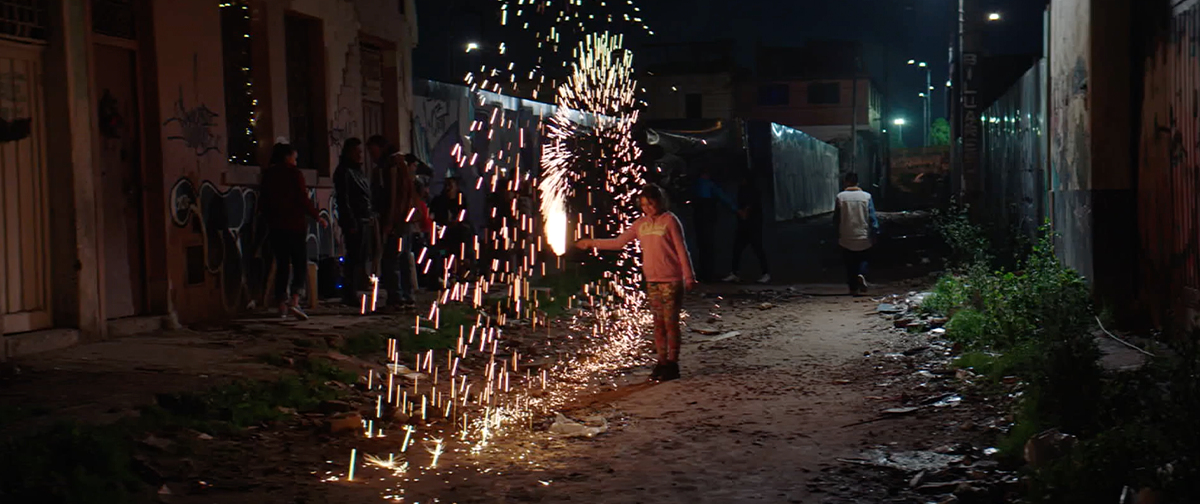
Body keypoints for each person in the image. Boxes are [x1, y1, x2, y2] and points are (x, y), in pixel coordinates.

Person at [575, 184, 696, 382]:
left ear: (660, 201)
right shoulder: (641, 224)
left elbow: (682, 249)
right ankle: (661, 361)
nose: (647, 208)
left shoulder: (670, 220)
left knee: (670, 323)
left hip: (671, 279)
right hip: (653, 280)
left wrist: (688, 276)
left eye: (650, 204)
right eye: (644, 205)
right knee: (658, 323)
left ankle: (672, 363)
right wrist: (591, 243)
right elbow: (618, 242)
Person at [259, 142, 328, 320]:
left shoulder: (268, 175)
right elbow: (302, 198)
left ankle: (281, 303)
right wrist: (317, 217)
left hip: (276, 226)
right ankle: (295, 300)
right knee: (299, 263)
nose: (296, 162)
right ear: (287, 157)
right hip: (295, 225)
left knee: (282, 264)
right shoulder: (294, 174)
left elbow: (263, 202)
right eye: (294, 158)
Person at [367, 135, 418, 309]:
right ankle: (406, 295)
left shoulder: (392, 165)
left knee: (392, 258)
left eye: (372, 151)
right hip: (404, 218)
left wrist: (390, 220)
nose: (371, 156)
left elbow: (395, 196)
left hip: (397, 220)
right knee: (402, 257)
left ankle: (397, 297)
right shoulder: (399, 164)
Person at [333, 138, 373, 306]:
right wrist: (350, 221)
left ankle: (354, 289)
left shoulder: (357, 171)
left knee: (360, 257)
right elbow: (344, 199)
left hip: (363, 218)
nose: (360, 155)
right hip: (355, 219)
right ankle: (350, 292)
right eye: (357, 152)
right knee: (354, 257)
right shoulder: (344, 172)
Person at [833, 172, 880, 295]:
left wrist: (836, 234)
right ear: (858, 182)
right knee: (864, 258)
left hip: (846, 235)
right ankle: (861, 273)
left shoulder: (840, 197)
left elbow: (836, 219)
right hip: (863, 234)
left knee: (849, 263)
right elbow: (872, 217)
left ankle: (853, 288)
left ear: (846, 182)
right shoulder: (867, 196)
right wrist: (875, 232)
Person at [722, 172, 771, 284]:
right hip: (747, 223)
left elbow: (751, 204)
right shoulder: (745, 189)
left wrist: (744, 212)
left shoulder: (751, 190)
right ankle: (736, 272)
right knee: (739, 248)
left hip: (752, 223)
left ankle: (765, 273)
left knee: (756, 248)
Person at [691, 168, 736, 282]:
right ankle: (708, 273)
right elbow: (723, 197)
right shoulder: (709, 185)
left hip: (698, 216)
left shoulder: (695, 185)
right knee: (708, 245)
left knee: (702, 245)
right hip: (707, 216)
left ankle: (704, 272)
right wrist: (736, 209)